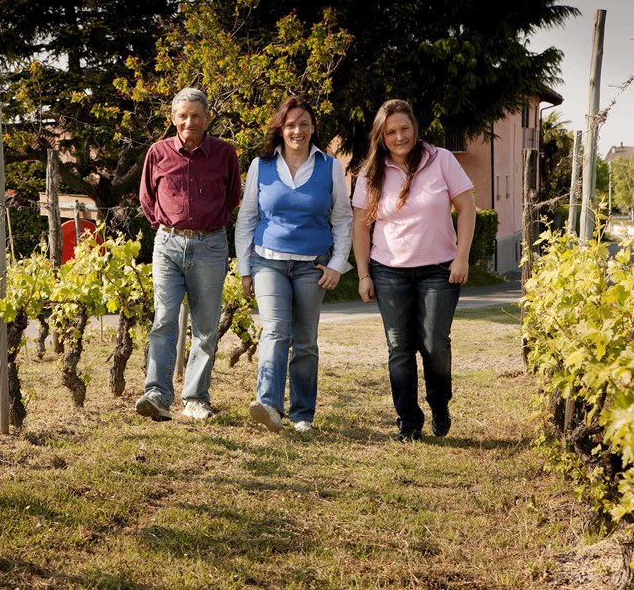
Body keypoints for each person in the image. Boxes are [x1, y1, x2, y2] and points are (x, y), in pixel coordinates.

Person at [351, 99, 475, 442]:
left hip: (439, 269)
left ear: (415, 128)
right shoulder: (371, 171)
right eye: (390, 131)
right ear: (381, 136)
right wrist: (363, 274)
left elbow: (467, 208)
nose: (399, 136)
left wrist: (461, 256)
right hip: (388, 271)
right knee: (399, 347)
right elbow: (360, 226)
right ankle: (408, 420)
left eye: (404, 128)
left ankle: (439, 404)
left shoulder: (442, 160)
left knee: (434, 344)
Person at [235, 96, 353, 433]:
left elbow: (343, 219)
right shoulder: (262, 165)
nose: (297, 130)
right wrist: (245, 267)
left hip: (311, 267)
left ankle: (302, 414)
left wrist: (336, 264)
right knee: (275, 330)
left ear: (313, 128)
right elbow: (247, 218)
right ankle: (269, 405)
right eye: (290, 125)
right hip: (268, 262)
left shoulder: (330, 167)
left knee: (305, 342)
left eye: (304, 124)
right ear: (280, 129)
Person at [136, 88, 241, 421]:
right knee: (164, 321)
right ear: (173, 118)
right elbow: (147, 199)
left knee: (206, 327)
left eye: (196, 115)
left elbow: (232, 197)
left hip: (210, 246)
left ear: (207, 118)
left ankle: (196, 398)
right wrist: (168, 227)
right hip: (168, 245)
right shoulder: (157, 152)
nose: (189, 122)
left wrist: (205, 227)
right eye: (183, 116)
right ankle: (157, 396)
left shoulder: (225, 153)